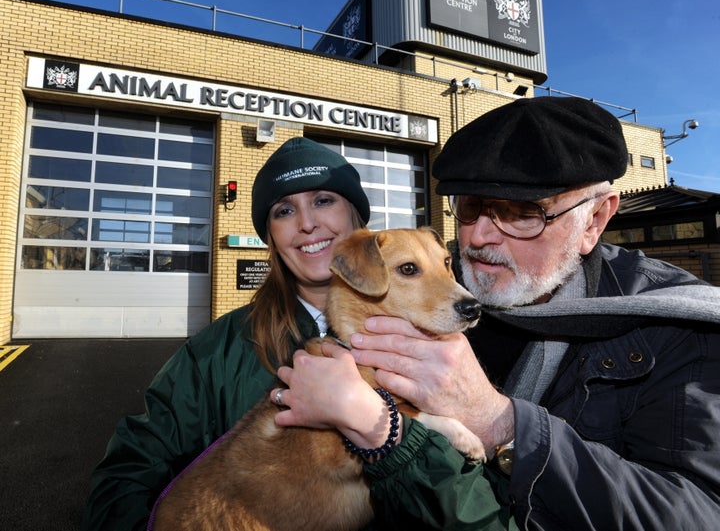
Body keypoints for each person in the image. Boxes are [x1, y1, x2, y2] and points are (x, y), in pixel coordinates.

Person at [273, 97, 720, 529]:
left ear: (595, 220)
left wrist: (501, 423)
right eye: (470, 208)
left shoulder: (680, 327)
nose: (480, 237)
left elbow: (699, 513)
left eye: (522, 212)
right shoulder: (439, 287)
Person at [80, 137, 377, 530]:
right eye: (284, 210)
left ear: (354, 214)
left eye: (324, 200)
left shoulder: (419, 332)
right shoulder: (214, 351)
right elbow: (128, 469)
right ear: (271, 236)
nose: (307, 223)